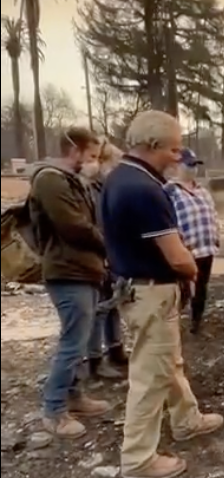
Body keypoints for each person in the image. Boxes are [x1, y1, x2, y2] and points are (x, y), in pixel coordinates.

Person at [101, 110, 223, 478]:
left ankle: (186, 419)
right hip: (152, 292)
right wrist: (191, 269)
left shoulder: (119, 178)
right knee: (150, 376)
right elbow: (177, 256)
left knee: (168, 363)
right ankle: (138, 459)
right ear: (153, 145)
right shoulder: (144, 190)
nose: (178, 155)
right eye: (175, 147)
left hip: (137, 289)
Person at [28, 127, 111, 439]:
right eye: (91, 156)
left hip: (83, 269)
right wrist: (109, 246)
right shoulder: (50, 179)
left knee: (80, 337)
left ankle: (74, 397)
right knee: (72, 341)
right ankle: (53, 410)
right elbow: (75, 227)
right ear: (74, 150)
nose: (94, 163)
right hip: (67, 271)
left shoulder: (72, 181)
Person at [80, 138, 128, 379]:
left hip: (109, 252)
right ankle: (95, 360)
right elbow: (94, 225)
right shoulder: (88, 188)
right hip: (98, 254)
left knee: (112, 303)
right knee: (99, 308)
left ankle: (115, 347)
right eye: (115, 163)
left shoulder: (104, 187)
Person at [165, 148, 220, 335]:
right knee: (183, 290)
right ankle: (173, 325)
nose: (193, 169)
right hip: (185, 250)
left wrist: (216, 238)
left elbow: (213, 215)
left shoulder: (202, 191)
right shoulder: (170, 191)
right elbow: (168, 221)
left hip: (206, 248)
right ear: (176, 166)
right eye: (189, 165)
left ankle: (197, 323)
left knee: (201, 287)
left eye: (195, 165)